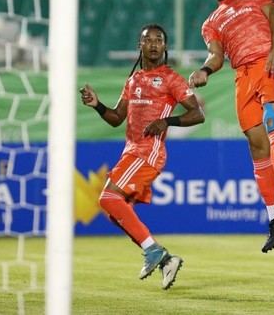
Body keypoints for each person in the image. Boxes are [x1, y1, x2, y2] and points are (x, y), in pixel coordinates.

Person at [80, 24, 204, 290]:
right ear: (140, 45)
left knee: (108, 198)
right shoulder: (133, 80)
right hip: (131, 152)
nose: (154, 44)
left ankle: (152, 251)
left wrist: (166, 121)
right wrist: (97, 105)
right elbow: (116, 118)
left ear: (165, 47)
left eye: (159, 40)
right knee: (115, 212)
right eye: (149, 40)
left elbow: (198, 114)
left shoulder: (171, 78)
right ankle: (165, 260)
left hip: (148, 152)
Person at [188, 0, 274, 253]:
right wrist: (205, 71)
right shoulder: (211, 22)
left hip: (269, 59)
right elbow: (216, 55)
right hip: (243, 74)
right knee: (256, 143)